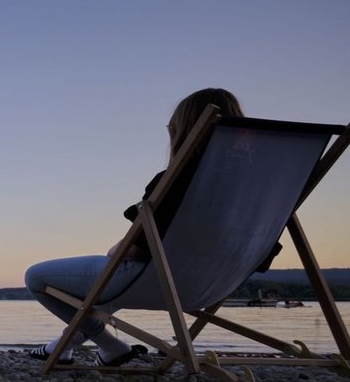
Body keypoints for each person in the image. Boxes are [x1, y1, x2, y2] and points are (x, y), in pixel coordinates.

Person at [24, 87, 250, 366]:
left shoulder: (179, 179)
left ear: (183, 130)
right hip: (216, 286)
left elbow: (137, 249)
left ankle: (111, 345)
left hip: (157, 281)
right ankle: (64, 346)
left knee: (36, 277)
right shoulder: (257, 192)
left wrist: (117, 248)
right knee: (106, 292)